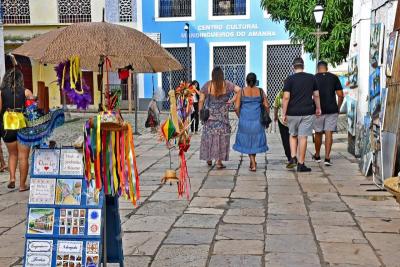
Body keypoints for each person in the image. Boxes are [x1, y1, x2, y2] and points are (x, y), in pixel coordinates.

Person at [282, 57, 321, 172]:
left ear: (293, 67)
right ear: (303, 66)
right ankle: (301, 164)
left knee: (293, 135)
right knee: (303, 137)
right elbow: (316, 95)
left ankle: (293, 157)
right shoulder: (311, 78)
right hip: (307, 112)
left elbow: (286, 97)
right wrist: (318, 108)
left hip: (292, 112)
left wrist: (284, 113)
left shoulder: (289, 79)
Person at [199, 67, 240, 169]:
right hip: (222, 118)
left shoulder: (207, 85)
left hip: (209, 118)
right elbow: (240, 91)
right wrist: (231, 101)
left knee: (209, 137)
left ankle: (209, 158)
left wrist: (201, 112)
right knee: (222, 138)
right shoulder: (227, 84)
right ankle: (219, 162)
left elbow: (201, 100)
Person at [0, 64, 33, 191]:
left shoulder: (1, 93)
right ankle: (22, 185)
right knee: (23, 157)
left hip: (7, 128)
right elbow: (33, 110)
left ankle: (12, 178)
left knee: (12, 154)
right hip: (23, 126)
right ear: (20, 79)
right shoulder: (26, 91)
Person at [233, 73, 269, 171]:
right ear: (255, 80)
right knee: (254, 141)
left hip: (245, 119)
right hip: (258, 120)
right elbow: (266, 105)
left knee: (248, 141)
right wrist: (266, 117)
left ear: (246, 81)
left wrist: (240, 117)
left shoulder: (242, 91)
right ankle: (253, 161)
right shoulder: (260, 91)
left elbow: (236, 107)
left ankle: (253, 162)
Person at [313, 61, 344, 166]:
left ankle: (317, 155)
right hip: (332, 109)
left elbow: (310, 95)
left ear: (318, 68)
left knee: (318, 133)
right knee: (328, 133)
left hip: (317, 110)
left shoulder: (314, 78)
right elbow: (340, 95)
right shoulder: (334, 77)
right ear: (327, 68)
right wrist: (338, 107)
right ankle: (327, 158)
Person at [273, 89, 291, 165]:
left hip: (282, 120)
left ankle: (289, 157)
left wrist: (275, 116)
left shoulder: (280, 93)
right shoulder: (295, 92)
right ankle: (293, 154)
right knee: (294, 137)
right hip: (293, 119)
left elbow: (275, 106)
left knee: (285, 139)